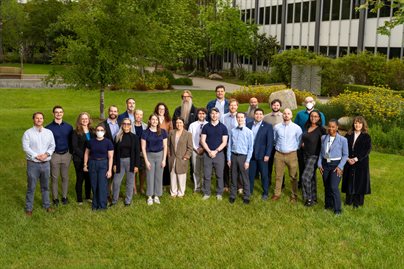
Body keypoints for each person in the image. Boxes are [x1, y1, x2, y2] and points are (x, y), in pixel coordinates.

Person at [22, 112, 56, 216]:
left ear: (43, 120)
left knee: (45, 186)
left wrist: (46, 155)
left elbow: (52, 145)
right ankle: (29, 208)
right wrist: (36, 155)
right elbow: (26, 147)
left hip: (46, 163)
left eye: (41, 118)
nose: (39, 120)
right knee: (31, 187)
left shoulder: (48, 132)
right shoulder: (28, 133)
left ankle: (47, 205)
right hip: (33, 164)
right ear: (33, 119)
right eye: (37, 118)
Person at [318, 119, 348, 215]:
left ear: (337, 127)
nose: (331, 128)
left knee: (334, 187)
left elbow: (345, 155)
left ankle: (337, 209)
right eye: (329, 126)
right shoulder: (323, 138)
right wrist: (319, 164)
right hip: (325, 164)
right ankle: (328, 205)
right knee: (326, 186)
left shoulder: (343, 140)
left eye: (333, 126)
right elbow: (321, 153)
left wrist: (340, 167)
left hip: (336, 165)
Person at [294, 96, 326, 189]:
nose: (309, 103)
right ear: (304, 103)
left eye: (311, 101)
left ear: (314, 102)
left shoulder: (320, 114)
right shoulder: (300, 114)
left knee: (311, 169)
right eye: (307, 101)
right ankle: (302, 183)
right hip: (303, 143)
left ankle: (310, 186)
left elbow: (321, 129)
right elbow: (296, 128)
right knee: (302, 165)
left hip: (314, 145)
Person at [272, 108, 302, 203]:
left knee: (293, 176)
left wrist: (293, 148)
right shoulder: (277, 127)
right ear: (282, 115)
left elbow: (299, 141)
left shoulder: (297, 128)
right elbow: (274, 139)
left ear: (291, 115)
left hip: (292, 154)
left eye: (288, 113)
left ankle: (294, 196)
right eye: (284, 113)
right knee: (278, 175)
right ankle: (277, 194)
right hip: (279, 154)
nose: (286, 115)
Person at [46, 105, 73, 206]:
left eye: (60, 112)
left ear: (63, 113)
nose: (58, 114)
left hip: (66, 155)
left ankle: (64, 197)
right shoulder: (48, 128)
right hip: (54, 155)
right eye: (56, 112)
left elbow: (71, 141)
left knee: (65, 177)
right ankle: (55, 198)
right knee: (54, 177)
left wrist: (70, 153)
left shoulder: (69, 127)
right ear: (53, 114)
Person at [342, 116, 371, 208]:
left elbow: (367, 150)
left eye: (359, 123)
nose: (357, 125)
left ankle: (357, 202)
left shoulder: (366, 136)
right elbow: (343, 147)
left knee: (359, 181)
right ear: (353, 124)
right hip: (348, 161)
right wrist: (347, 159)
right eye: (355, 123)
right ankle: (349, 200)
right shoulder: (348, 135)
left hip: (361, 162)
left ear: (363, 124)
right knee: (349, 180)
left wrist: (356, 159)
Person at [200, 107, 229, 200]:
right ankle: (206, 193)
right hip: (207, 154)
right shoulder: (206, 127)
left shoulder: (223, 127)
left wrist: (216, 151)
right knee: (207, 175)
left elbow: (224, 142)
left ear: (219, 115)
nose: (214, 115)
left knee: (219, 175)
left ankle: (219, 193)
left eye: (216, 113)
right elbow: (202, 140)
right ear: (210, 115)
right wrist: (209, 151)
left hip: (219, 154)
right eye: (212, 113)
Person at [83, 124, 114, 210]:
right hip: (92, 163)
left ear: (104, 132)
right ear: (95, 131)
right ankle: (95, 204)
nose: (99, 132)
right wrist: (85, 164)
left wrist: (110, 170)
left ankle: (102, 205)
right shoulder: (91, 142)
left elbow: (111, 157)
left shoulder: (108, 142)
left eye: (101, 130)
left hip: (103, 163)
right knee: (94, 184)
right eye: (98, 130)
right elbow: (86, 153)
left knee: (102, 185)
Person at [111, 118, 140, 206]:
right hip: (120, 162)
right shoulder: (117, 136)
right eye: (124, 124)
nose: (126, 126)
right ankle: (114, 200)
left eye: (128, 124)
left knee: (130, 182)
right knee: (116, 182)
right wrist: (115, 164)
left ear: (131, 126)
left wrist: (136, 165)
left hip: (130, 162)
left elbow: (137, 152)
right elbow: (115, 152)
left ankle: (128, 201)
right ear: (122, 125)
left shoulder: (134, 137)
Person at [246, 108, 274, 200]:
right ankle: (249, 191)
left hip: (262, 155)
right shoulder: (248, 125)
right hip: (251, 155)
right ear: (254, 115)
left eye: (260, 114)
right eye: (256, 114)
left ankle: (265, 192)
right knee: (250, 174)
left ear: (263, 115)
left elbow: (270, 142)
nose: (258, 116)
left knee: (264, 174)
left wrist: (267, 154)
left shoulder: (268, 126)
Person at [300, 110, 326, 206]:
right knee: (311, 178)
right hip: (305, 154)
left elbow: (326, 143)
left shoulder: (321, 130)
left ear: (319, 118)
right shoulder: (307, 127)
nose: (313, 118)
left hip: (314, 156)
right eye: (311, 116)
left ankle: (308, 199)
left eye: (316, 116)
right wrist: (302, 143)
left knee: (305, 177)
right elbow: (304, 138)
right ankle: (314, 198)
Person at [227, 112, 254, 204]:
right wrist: (229, 158)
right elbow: (229, 145)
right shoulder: (233, 131)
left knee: (244, 177)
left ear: (245, 119)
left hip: (243, 157)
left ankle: (246, 196)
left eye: (242, 117)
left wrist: (247, 161)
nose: (240, 119)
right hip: (234, 156)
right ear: (236, 119)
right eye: (238, 117)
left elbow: (251, 148)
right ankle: (232, 195)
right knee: (233, 176)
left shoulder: (249, 132)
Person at [141, 114, 168, 205]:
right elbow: (143, 148)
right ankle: (149, 196)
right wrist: (146, 160)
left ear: (158, 121)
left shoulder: (163, 132)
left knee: (158, 176)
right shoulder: (145, 132)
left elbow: (165, 146)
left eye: (156, 120)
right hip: (149, 156)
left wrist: (164, 159)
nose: (154, 121)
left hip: (160, 155)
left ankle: (156, 195)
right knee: (150, 176)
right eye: (153, 119)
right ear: (149, 121)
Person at [72, 112, 94, 204]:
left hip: (91, 158)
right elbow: (75, 147)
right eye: (83, 119)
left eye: (86, 118)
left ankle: (88, 196)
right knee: (80, 178)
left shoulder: (92, 131)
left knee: (89, 178)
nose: (85, 120)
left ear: (89, 120)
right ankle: (79, 199)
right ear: (79, 120)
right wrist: (85, 157)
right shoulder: (75, 132)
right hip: (79, 159)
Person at [168, 117, 193, 198]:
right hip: (172, 158)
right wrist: (169, 155)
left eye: (180, 122)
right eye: (177, 123)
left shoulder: (188, 134)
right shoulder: (171, 132)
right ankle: (173, 192)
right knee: (173, 175)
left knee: (181, 176)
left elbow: (190, 147)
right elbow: (168, 145)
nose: (178, 124)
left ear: (183, 124)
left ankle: (181, 193)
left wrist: (186, 157)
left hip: (182, 158)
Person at [263, 99, 283, 186]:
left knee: (279, 165)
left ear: (280, 106)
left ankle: (281, 184)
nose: (275, 107)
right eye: (274, 105)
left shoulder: (284, 116)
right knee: (268, 164)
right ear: (271, 106)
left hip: (279, 144)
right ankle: (268, 181)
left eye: (277, 105)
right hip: (268, 144)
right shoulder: (266, 117)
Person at [188, 108, 208, 192]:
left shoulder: (208, 124)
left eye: (203, 113)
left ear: (206, 115)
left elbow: (209, 138)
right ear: (197, 115)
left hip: (206, 150)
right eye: (200, 113)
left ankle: (204, 187)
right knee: (196, 169)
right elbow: (189, 138)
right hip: (195, 149)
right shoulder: (192, 125)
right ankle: (197, 187)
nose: (201, 115)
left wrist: (203, 148)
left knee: (204, 170)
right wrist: (195, 148)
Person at [154, 102, 172, 188]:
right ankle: (157, 182)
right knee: (157, 164)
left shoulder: (168, 120)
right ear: (157, 110)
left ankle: (165, 183)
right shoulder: (154, 119)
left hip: (165, 144)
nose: (161, 110)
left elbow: (171, 132)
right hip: (156, 144)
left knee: (165, 164)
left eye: (163, 109)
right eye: (160, 109)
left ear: (165, 110)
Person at [222, 98, 239, 192]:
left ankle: (236, 184)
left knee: (235, 165)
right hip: (225, 144)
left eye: (234, 105)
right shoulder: (224, 117)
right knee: (225, 165)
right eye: (231, 105)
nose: (232, 107)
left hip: (236, 145)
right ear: (228, 106)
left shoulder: (240, 117)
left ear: (237, 106)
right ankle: (226, 184)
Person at [133, 109, 147, 194]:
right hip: (133, 152)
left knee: (143, 170)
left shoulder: (145, 126)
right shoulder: (129, 125)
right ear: (134, 115)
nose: (139, 116)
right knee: (134, 171)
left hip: (142, 152)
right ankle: (134, 188)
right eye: (137, 114)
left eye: (140, 115)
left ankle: (141, 187)